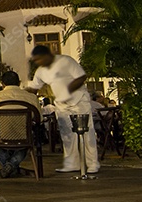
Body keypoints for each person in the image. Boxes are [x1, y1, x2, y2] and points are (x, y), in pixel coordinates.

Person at [26, 45, 99, 174]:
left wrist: (67, 91)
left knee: (87, 133)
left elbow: (81, 77)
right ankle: (72, 163)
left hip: (79, 101)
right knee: (67, 135)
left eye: (39, 59)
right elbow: (34, 87)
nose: (38, 63)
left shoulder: (66, 61)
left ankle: (92, 163)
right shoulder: (40, 71)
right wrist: (19, 92)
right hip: (61, 105)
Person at [0, 70, 41, 177]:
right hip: (24, 136)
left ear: (2, 84)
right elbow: (39, 119)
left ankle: (9, 167)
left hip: (0, 137)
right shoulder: (31, 97)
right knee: (25, 144)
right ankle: (12, 167)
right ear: (19, 83)